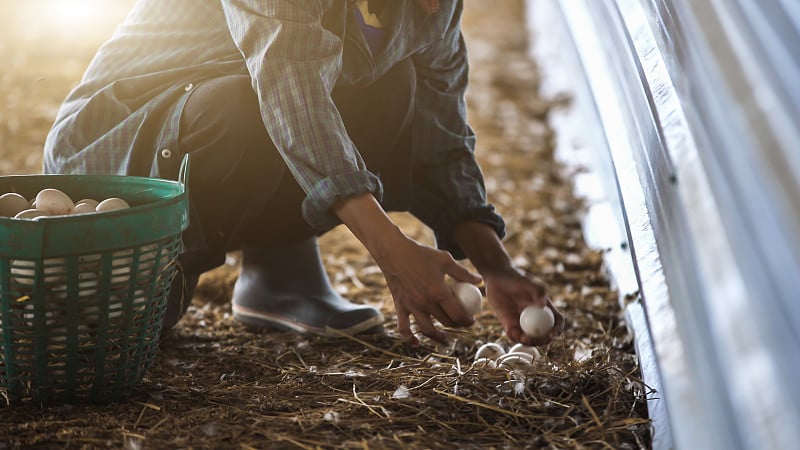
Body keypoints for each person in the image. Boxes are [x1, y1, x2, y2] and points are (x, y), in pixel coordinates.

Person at [43, 0, 564, 347]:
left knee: (392, 86)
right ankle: (163, 266)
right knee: (247, 106)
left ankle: (280, 269)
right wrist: (394, 254)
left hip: (234, 106)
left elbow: (441, 130)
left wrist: (494, 265)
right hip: (126, 141)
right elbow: (290, 89)